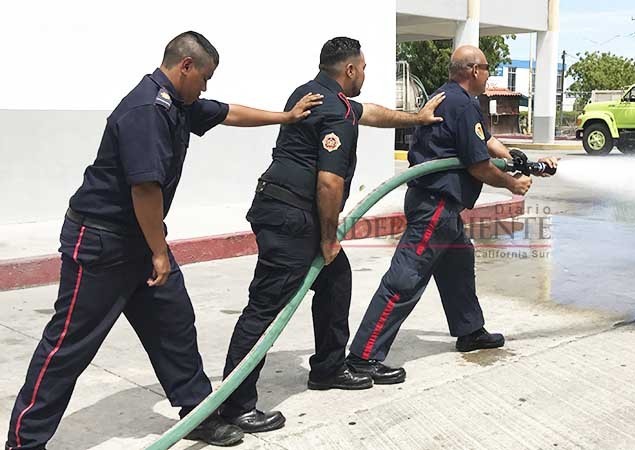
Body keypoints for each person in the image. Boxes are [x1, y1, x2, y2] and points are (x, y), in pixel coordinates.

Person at [5, 31, 322, 450]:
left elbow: (228, 113)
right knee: (68, 345)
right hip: (102, 243)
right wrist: (159, 252)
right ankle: (23, 441)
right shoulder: (147, 110)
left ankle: (197, 412)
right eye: (204, 77)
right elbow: (145, 190)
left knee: (174, 323)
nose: (206, 87)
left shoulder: (178, 103)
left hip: (138, 239)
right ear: (185, 66)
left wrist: (286, 117)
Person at [217, 36, 446, 434]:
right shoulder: (337, 113)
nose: (365, 76)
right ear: (351, 69)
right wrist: (327, 238)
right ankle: (236, 404)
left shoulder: (311, 93)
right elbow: (328, 183)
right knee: (266, 307)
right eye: (364, 69)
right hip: (293, 219)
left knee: (336, 280)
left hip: (280, 207)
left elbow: (369, 112)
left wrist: (416, 118)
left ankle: (327, 367)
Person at [346, 45, 558, 383]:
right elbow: (478, 166)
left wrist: (518, 158)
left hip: (442, 208)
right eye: (487, 68)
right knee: (405, 279)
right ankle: (363, 355)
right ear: (474, 71)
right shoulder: (461, 104)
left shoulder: (452, 99)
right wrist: (511, 184)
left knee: (459, 265)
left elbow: (484, 141)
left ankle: (470, 331)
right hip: (435, 207)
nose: (489, 74)